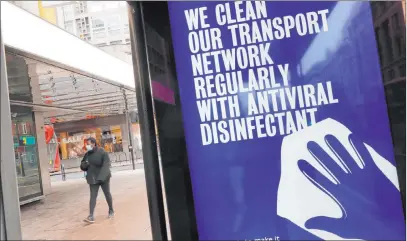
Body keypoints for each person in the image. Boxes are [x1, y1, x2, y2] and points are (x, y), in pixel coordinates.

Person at [80, 137, 114, 223]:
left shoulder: (102, 152)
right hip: (93, 178)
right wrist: (84, 165)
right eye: (86, 144)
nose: (87, 145)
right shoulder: (87, 154)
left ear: (94, 143)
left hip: (103, 177)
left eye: (89, 143)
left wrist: (101, 177)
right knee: (93, 196)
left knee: (107, 194)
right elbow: (82, 166)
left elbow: (106, 164)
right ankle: (91, 216)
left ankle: (111, 210)